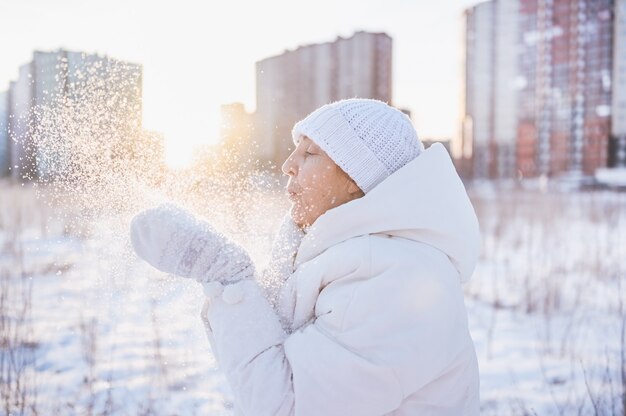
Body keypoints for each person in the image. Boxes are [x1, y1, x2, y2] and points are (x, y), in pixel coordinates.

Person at [130, 98, 481, 415]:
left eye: (310, 153)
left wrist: (229, 280)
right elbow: (257, 366)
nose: (287, 165)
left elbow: (286, 405)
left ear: (356, 180)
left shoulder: (398, 278)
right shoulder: (341, 256)